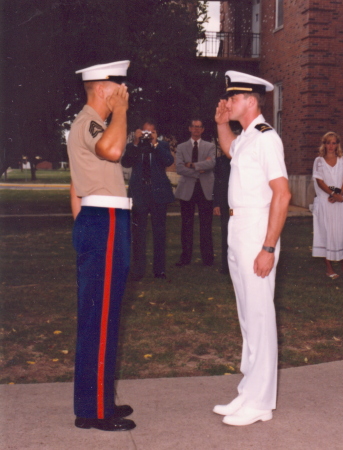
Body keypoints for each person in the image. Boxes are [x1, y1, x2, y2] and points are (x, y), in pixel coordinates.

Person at [213, 71, 291, 426]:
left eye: (233, 98)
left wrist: (268, 247)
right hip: (237, 228)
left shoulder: (265, 138)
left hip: (257, 230)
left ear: (252, 101)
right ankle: (249, 390)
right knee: (247, 315)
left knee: (259, 315)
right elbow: (231, 150)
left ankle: (261, 402)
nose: (227, 103)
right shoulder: (246, 137)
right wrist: (220, 124)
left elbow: (283, 193)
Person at [67, 60, 136, 432]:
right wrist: (121, 112)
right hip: (104, 221)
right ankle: (93, 411)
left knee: (103, 315)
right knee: (100, 317)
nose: (123, 94)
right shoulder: (93, 122)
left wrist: (82, 222)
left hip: (100, 220)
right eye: (118, 89)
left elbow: (75, 184)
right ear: (103, 89)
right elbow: (111, 150)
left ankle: (98, 400)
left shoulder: (85, 124)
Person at [121, 120, 174, 280]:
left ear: (156, 132)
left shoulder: (162, 145)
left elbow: (168, 161)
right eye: (145, 131)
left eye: (151, 132)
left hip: (158, 193)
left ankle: (159, 270)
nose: (147, 135)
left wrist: (155, 143)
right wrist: (136, 142)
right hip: (139, 193)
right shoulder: (134, 146)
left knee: (159, 232)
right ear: (139, 131)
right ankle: (138, 270)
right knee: (138, 233)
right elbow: (126, 162)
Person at [311, 131, 343, 278]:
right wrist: (332, 195)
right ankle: (329, 267)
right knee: (327, 233)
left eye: (334, 142)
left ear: (337, 144)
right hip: (326, 202)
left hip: (341, 202)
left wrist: (340, 195)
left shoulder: (342, 160)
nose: (331, 145)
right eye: (328, 142)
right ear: (324, 144)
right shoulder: (319, 161)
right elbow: (320, 181)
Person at [175, 118, 216, 267]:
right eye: (194, 126)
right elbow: (179, 168)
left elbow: (211, 163)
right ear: (190, 128)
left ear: (203, 129)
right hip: (187, 190)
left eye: (199, 127)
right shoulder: (181, 147)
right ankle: (185, 258)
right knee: (186, 225)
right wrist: (199, 170)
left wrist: (192, 165)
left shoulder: (210, 146)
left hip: (205, 190)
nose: (197, 129)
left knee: (206, 225)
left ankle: (208, 259)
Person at [213, 149, 231, 274]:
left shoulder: (242, 157)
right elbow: (217, 183)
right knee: (226, 233)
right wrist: (217, 203)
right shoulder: (220, 161)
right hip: (225, 201)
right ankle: (226, 266)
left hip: (242, 201)